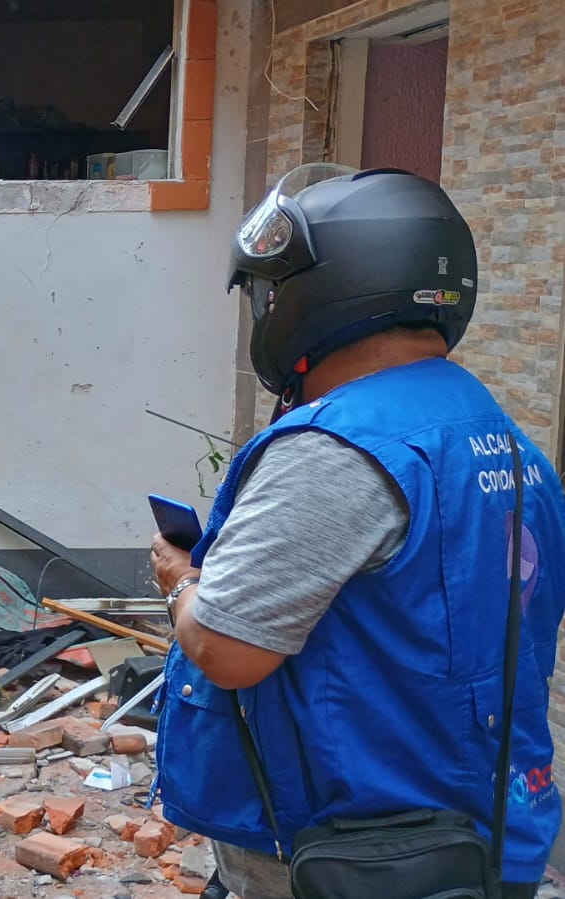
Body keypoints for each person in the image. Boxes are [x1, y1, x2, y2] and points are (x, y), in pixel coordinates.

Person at [150, 165, 565, 899]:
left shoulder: (337, 447)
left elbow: (226, 647)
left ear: (318, 294)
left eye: (269, 292)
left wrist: (181, 580)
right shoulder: (502, 441)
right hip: (479, 831)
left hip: (352, 854)